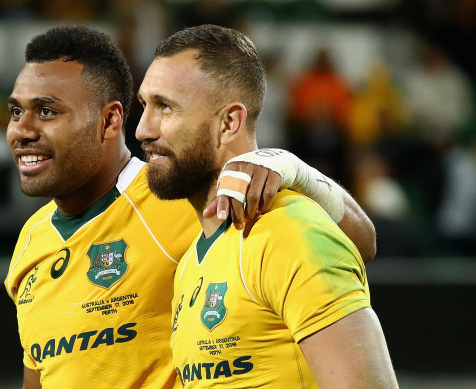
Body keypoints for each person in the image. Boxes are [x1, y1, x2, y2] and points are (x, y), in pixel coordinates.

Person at [4, 25, 377, 388]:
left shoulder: (198, 200)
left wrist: (290, 167)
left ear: (110, 120)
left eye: (48, 111)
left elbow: (358, 242)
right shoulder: (30, 243)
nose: (21, 130)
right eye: (16, 112)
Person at [136, 25, 397, 388]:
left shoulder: (286, 232)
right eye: (144, 105)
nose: (142, 130)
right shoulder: (195, 259)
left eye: (165, 107)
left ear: (229, 123)